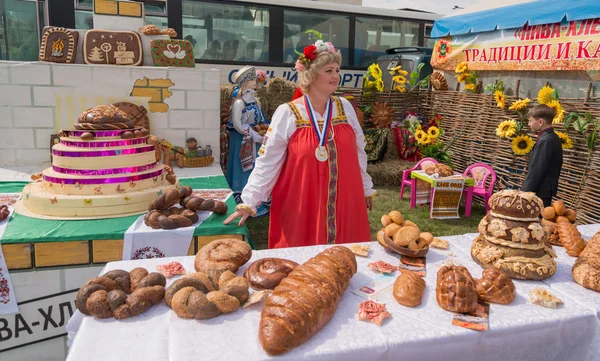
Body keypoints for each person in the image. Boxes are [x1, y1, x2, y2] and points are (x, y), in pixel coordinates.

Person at [224, 39, 375, 249]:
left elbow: (359, 151)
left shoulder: (345, 108)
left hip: (345, 199)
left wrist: (365, 188)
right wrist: (249, 201)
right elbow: (268, 161)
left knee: (345, 262)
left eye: (337, 70)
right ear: (311, 75)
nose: (335, 76)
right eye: (329, 70)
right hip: (302, 202)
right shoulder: (288, 113)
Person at [225, 66, 270, 216]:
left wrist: (264, 132)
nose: (254, 81)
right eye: (251, 79)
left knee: (255, 166)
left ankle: (257, 200)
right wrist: (250, 133)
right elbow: (237, 123)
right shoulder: (239, 103)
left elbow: (262, 119)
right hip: (242, 139)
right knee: (243, 166)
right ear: (245, 82)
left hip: (255, 139)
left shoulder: (255, 101)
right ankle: (241, 198)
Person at [522, 104, 563, 207]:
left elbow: (537, 170)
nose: (528, 124)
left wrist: (525, 192)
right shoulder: (553, 138)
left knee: (536, 220)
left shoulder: (546, 141)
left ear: (540, 122)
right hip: (544, 190)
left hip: (540, 191)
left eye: (530, 121)